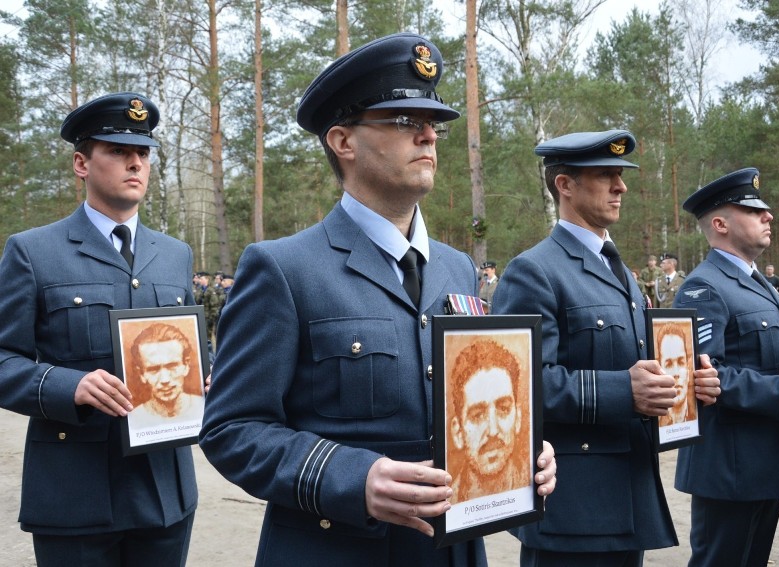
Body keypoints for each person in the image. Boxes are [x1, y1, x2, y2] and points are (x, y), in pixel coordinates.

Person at [198, 33, 555, 567]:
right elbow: (231, 430)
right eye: (405, 123)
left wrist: (525, 449)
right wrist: (353, 478)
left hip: (452, 552)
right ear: (343, 141)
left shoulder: (457, 268)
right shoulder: (284, 268)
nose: (428, 137)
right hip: (334, 550)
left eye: (432, 126)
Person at [491, 129, 720, 567]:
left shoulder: (623, 274)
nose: (622, 186)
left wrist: (688, 385)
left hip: (627, 494)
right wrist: (623, 391)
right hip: (572, 505)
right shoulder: (534, 271)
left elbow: (636, 364)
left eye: (621, 175)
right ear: (565, 185)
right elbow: (521, 385)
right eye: (606, 175)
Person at [0, 92, 198, 566]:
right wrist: (71, 385)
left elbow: (190, 345)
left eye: (143, 153)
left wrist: (204, 376)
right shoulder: (34, 252)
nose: (135, 163)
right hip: (76, 492)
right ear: (81, 164)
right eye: (118, 151)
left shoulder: (174, 254)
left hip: (164, 490)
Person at [673, 167, 779, 567]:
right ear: (720, 224)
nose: (768, 216)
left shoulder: (761, 284)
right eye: (754, 212)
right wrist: (777, 390)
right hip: (729, 466)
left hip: (766, 458)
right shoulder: (704, 287)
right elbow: (701, 375)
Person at [449, 339, 528, 503]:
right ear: (458, 433)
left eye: (504, 409)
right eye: (477, 415)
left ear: (518, 418)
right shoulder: (448, 503)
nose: (493, 430)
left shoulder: (532, 484)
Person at [128, 322, 204, 430]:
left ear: (186, 365)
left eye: (172, 366)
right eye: (153, 369)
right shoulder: (133, 419)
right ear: (141, 374)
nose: (165, 379)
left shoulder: (204, 407)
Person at [655, 322, 697, 426]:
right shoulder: (657, 426)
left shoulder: (698, 421)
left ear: (688, 368)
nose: (676, 373)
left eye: (681, 362)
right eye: (668, 364)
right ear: (660, 369)